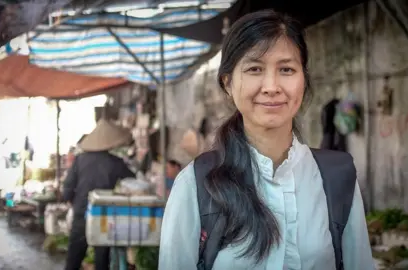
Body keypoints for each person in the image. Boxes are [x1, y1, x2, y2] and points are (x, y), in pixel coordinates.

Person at [159, 10, 374, 270]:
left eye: (286, 69)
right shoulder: (196, 183)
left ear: (303, 79)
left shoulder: (338, 178)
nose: (271, 86)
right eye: (254, 69)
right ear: (227, 83)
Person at [63, 119, 135, 270]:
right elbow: (132, 180)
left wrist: (71, 201)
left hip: (82, 212)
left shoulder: (80, 160)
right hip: (103, 214)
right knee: (102, 258)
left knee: (74, 256)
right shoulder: (116, 162)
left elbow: (68, 187)